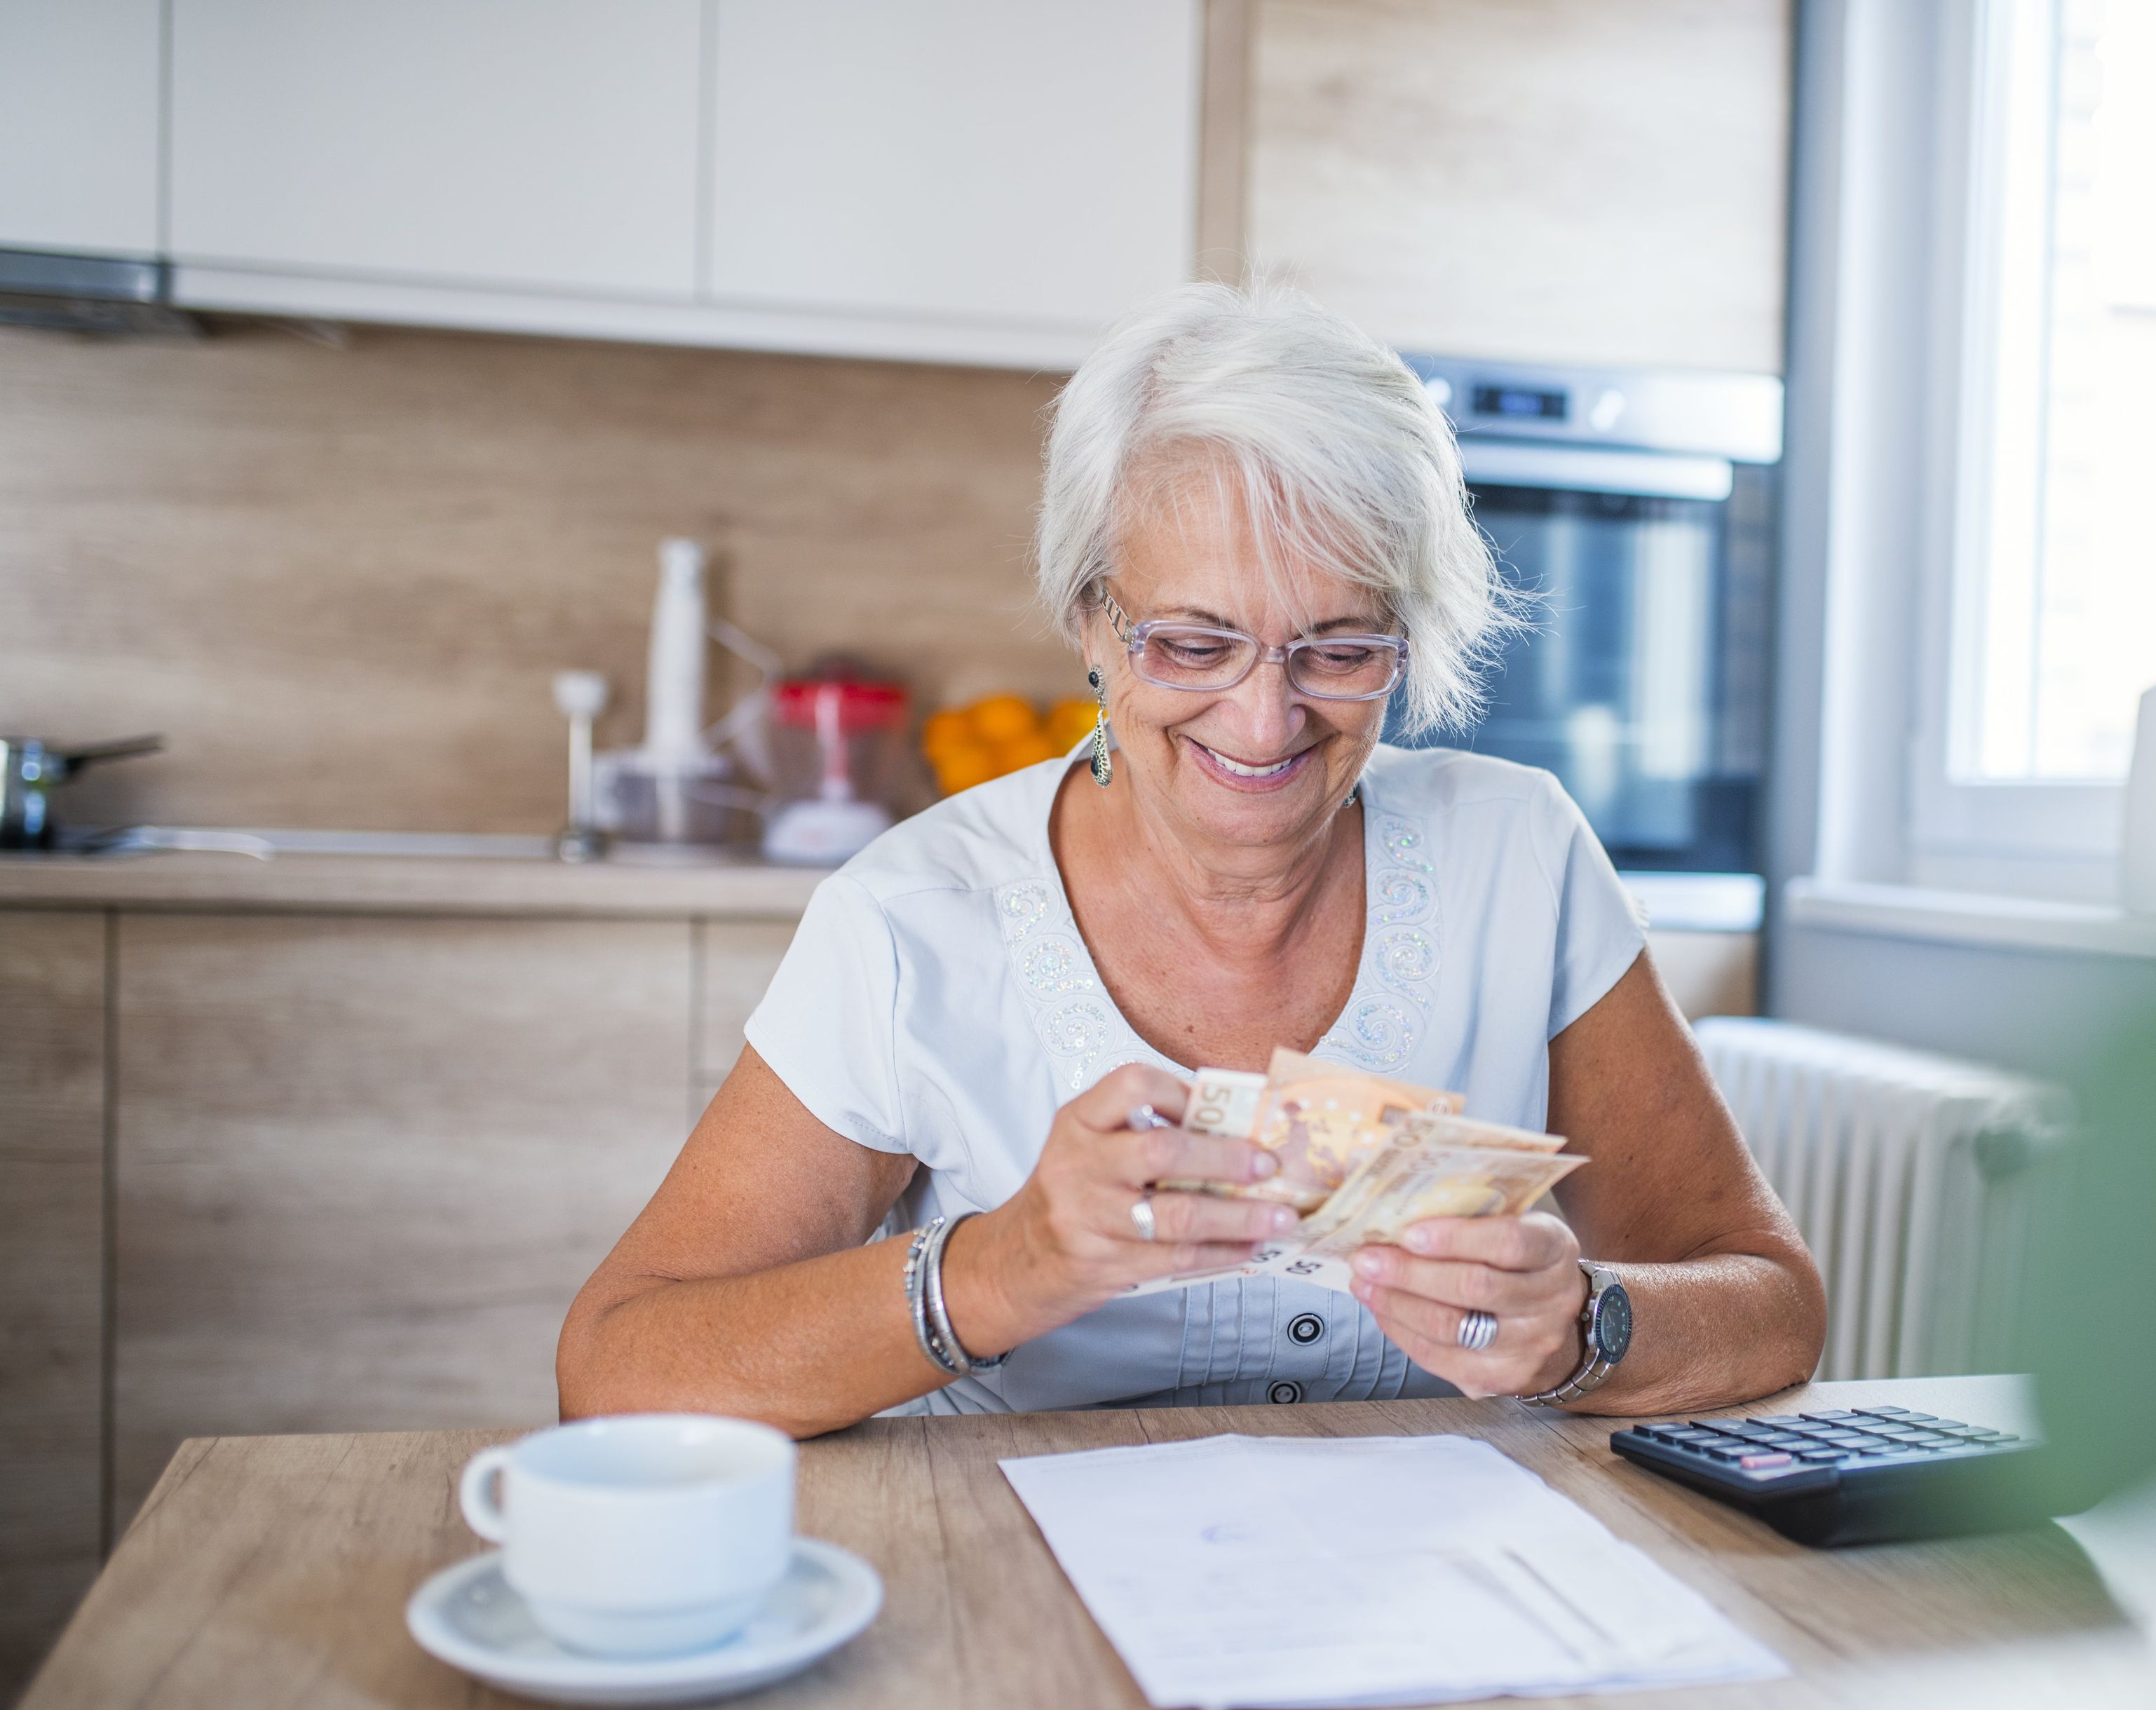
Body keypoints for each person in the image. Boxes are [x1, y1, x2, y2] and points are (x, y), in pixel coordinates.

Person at [557, 284, 1826, 1434]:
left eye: (1338, 649)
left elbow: (1769, 1300)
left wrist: (1587, 1326)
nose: (1266, 721)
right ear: (1090, 624)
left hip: (1428, 1599)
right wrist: (999, 1269)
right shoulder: (910, 918)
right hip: (1014, 1603)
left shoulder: (1521, 854)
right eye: (1193, 644)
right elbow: (617, 1364)